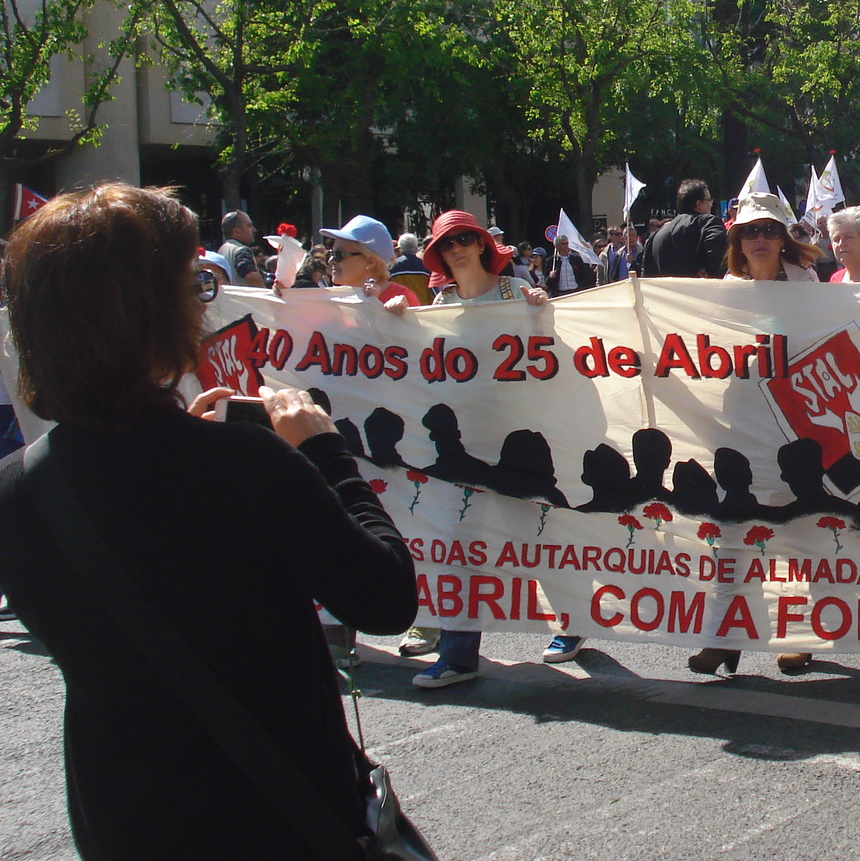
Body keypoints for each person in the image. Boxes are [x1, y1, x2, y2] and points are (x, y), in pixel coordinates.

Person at [0, 184, 417, 860]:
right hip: (274, 817)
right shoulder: (245, 462)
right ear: (148, 311)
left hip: (122, 817)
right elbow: (386, 596)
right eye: (192, 285)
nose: (202, 304)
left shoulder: (18, 488)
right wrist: (326, 454)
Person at [405, 211, 555, 686]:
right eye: (447, 244)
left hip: (517, 441)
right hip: (461, 447)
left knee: (539, 538)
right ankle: (458, 655)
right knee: (459, 545)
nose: (458, 249)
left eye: (466, 239)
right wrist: (388, 315)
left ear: (483, 245)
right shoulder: (441, 303)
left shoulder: (515, 292)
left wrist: (543, 311)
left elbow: (552, 350)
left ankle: (571, 623)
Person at [692, 193, 823, 677]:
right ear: (737, 241)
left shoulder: (807, 284)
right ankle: (725, 638)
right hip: (742, 423)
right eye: (750, 231)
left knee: (801, 531)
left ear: (783, 237)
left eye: (769, 229)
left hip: (797, 423)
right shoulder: (723, 293)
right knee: (733, 530)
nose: (760, 239)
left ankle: (803, 635)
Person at [322, 215, 420, 308]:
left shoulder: (401, 298)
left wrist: (400, 315)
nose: (331, 260)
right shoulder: (333, 299)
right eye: (332, 253)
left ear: (370, 262)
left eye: (339, 254)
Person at [642, 178, 728, 278]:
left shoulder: (654, 237)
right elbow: (722, 257)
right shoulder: (708, 223)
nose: (711, 203)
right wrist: (710, 274)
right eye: (709, 200)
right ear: (699, 204)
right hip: (701, 287)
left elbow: (646, 278)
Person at [218, 210, 266, 288]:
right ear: (237, 231)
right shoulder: (241, 250)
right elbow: (251, 277)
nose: (254, 230)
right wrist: (265, 293)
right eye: (249, 226)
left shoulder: (222, 250)